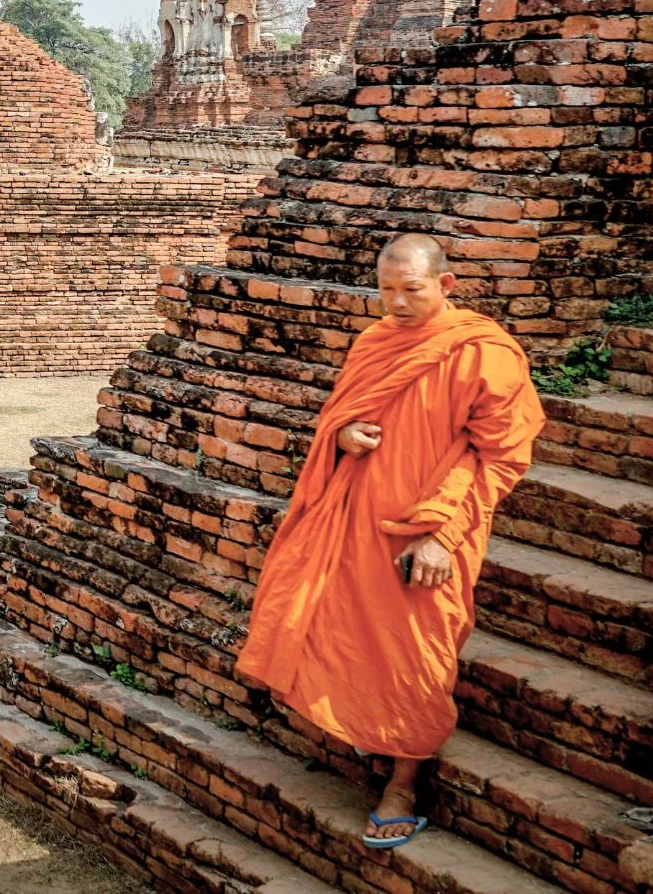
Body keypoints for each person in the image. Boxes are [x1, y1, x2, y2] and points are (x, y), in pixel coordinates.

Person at [234, 233, 546, 850]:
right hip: (358, 514)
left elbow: (502, 459)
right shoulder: (375, 340)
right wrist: (343, 434)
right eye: (387, 290)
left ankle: (403, 783)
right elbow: (339, 414)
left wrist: (442, 535)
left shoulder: (486, 354)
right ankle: (365, 729)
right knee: (340, 624)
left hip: (428, 530)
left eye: (413, 290)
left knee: (416, 650)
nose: (397, 303)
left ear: (445, 285)